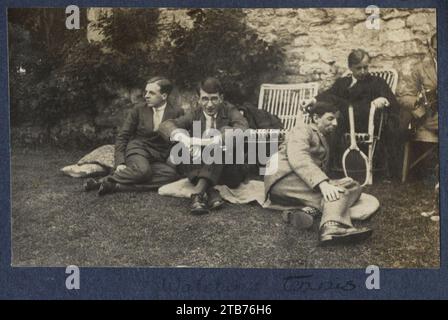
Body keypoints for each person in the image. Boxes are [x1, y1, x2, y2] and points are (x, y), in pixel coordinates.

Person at [264, 101, 373, 245]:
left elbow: (315, 167)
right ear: (316, 118)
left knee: (354, 186)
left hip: (299, 178)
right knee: (339, 193)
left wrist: (331, 183)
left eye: (336, 119)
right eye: (330, 118)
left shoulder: (321, 136)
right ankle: (331, 227)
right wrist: (323, 184)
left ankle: (308, 211)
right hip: (283, 179)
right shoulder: (302, 129)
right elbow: (299, 157)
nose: (335, 123)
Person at [158, 77, 249, 215]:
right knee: (184, 151)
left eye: (214, 99)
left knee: (225, 133)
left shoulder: (229, 110)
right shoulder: (195, 114)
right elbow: (166, 125)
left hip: (229, 170)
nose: (210, 104)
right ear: (199, 99)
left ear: (221, 98)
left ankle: (197, 194)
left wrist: (216, 140)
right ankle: (211, 191)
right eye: (205, 99)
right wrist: (182, 137)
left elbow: (242, 127)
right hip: (202, 165)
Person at [84, 76, 184, 195]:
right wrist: (120, 162)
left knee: (171, 175)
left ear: (164, 96)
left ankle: (117, 186)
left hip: (159, 156)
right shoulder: (138, 109)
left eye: (151, 93)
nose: (146, 95)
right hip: (138, 149)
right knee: (143, 171)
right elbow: (123, 136)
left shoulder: (177, 112)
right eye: (145, 92)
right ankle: (102, 181)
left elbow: (180, 138)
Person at [315, 49, 402, 179]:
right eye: (358, 68)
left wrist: (383, 100)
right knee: (329, 108)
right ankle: (328, 166)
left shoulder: (377, 82)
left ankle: (329, 168)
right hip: (343, 122)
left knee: (335, 103)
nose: (363, 72)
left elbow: (393, 103)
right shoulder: (342, 82)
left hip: (366, 122)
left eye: (365, 67)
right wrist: (313, 100)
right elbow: (327, 94)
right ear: (350, 67)